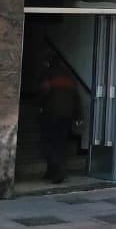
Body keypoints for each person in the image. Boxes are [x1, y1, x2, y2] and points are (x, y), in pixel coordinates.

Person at [37, 56, 81, 184]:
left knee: (50, 143)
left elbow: (43, 93)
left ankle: (55, 172)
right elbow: (76, 97)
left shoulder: (48, 75)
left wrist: (40, 106)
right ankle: (56, 170)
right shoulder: (69, 77)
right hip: (67, 115)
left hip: (51, 114)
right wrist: (78, 115)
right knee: (61, 143)